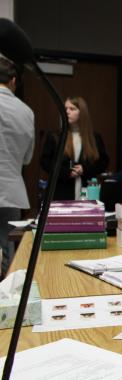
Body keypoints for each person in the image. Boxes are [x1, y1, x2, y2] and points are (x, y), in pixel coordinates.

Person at [0, 57, 34, 277]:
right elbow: (27, 159)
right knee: (6, 250)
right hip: (11, 193)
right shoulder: (26, 111)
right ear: (13, 80)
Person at [40, 96, 109, 200]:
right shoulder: (55, 137)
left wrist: (84, 169)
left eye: (72, 109)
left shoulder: (94, 137)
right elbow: (45, 162)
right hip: (61, 190)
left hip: (87, 190)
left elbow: (103, 162)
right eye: (65, 109)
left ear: (82, 113)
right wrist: (67, 171)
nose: (67, 112)